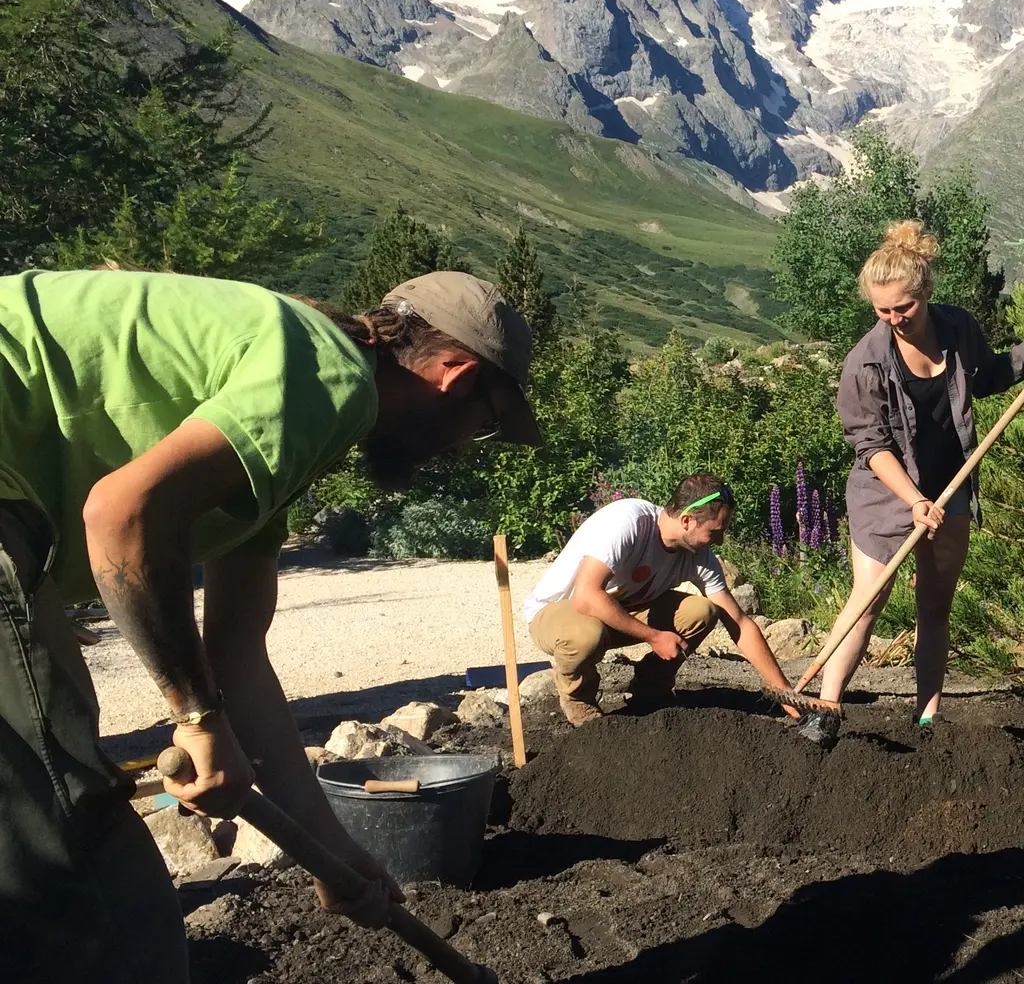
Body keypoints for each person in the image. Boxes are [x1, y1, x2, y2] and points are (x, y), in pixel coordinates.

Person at [0, 268, 541, 983]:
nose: (466, 446)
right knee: (95, 893)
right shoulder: (328, 377)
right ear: (455, 374)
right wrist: (195, 716)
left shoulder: (291, 407)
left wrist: (332, 850)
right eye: (486, 424)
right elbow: (122, 517)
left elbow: (236, 654)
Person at [797, 220, 1024, 746]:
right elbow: (873, 447)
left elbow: (989, 374)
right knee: (869, 598)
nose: (894, 319)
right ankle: (826, 708)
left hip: (953, 486)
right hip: (885, 493)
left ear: (925, 293)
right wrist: (914, 500)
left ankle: (927, 718)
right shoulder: (865, 362)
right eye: (882, 310)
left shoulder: (957, 328)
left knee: (934, 604)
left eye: (903, 307)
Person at [523, 474, 800, 724]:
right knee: (585, 634)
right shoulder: (627, 523)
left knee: (703, 612)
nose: (720, 541)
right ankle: (578, 697)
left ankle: (650, 688)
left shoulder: (698, 556)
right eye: (715, 532)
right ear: (687, 520)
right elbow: (585, 597)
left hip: (619, 615)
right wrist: (654, 636)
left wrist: (785, 692)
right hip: (558, 614)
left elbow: (738, 623)